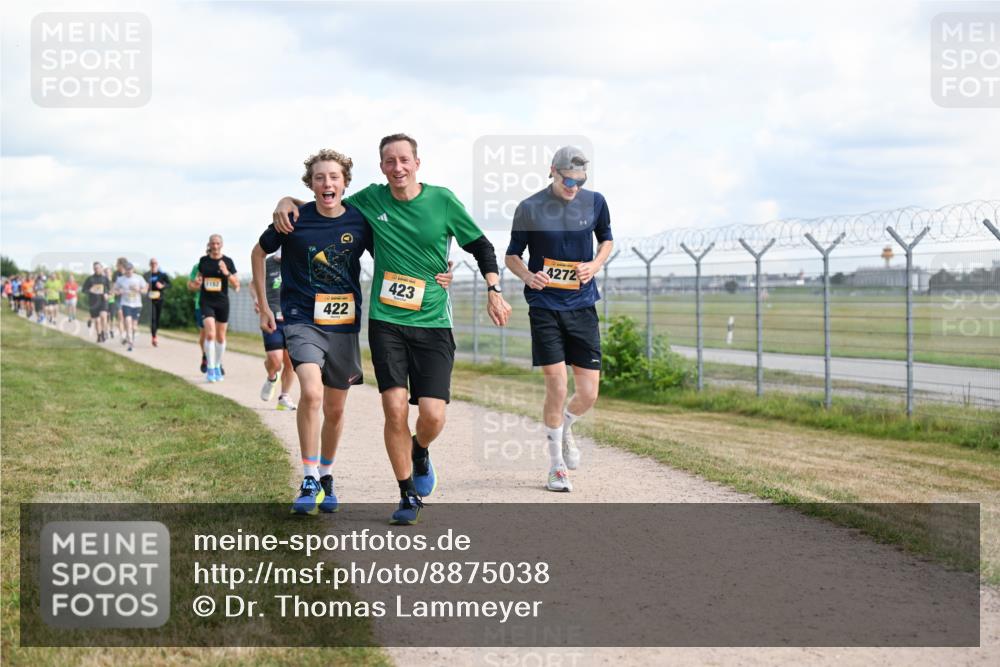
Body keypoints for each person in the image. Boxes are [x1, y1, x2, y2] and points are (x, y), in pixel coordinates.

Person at [273, 133, 511, 525]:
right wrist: (286, 202)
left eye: (404, 160)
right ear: (382, 167)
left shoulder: (443, 200)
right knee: (394, 407)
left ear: (417, 162)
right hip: (387, 322)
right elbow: (325, 205)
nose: (397, 167)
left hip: (433, 320)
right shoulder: (371, 199)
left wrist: (493, 288)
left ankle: (420, 450)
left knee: (432, 415)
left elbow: (481, 245)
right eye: (389, 161)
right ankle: (407, 494)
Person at [260, 148, 455, 516]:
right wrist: (265, 306)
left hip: (345, 326)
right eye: (319, 178)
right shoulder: (295, 218)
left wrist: (436, 268)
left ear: (345, 183)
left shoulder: (361, 219)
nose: (327, 183)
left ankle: (328, 477)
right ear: (310, 183)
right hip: (303, 320)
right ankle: (308, 478)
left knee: (335, 409)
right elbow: (261, 250)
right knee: (312, 393)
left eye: (334, 177)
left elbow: (398, 243)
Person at [505, 146, 613, 492]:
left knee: (589, 394)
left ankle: (566, 428)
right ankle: (555, 467)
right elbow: (511, 256)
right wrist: (527, 276)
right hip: (545, 305)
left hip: (582, 306)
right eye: (568, 180)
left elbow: (607, 240)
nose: (573, 187)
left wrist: (595, 265)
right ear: (552, 171)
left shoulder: (595, 202)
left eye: (579, 181)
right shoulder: (530, 208)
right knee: (558, 385)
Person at [252, 249, 298, 411]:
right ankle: (272, 377)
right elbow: (253, 284)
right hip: (272, 317)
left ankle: (284, 396)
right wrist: (257, 299)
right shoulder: (268, 263)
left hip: (293, 318)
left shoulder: (298, 261)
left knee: (290, 362)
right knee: (275, 359)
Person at [193, 234, 239, 382]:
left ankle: (218, 365)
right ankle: (211, 368)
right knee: (210, 334)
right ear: (209, 244)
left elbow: (236, 285)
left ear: (222, 245)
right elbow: (198, 280)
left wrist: (226, 273)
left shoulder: (228, 261)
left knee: (220, 337)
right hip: (206, 302)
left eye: (218, 243)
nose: (215, 246)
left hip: (222, 302)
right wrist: (197, 281)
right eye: (213, 243)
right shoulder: (203, 261)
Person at [113, 262, 148, 351]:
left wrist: (138, 290)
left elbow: (145, 290)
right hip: (125, 304)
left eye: (130, 269)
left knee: (134, 326)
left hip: (137, 305)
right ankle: (130, 343)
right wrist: (118, 291)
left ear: (133, 269)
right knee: (128, 322)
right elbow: (114, 290)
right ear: (125, 270)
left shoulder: (139, 278)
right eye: (127, 269)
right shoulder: (120, 279)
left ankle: (132, 337)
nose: (129, 271)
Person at [144, 258, 172, 347]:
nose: (153, 264)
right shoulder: (146, 275)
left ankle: (155, 333)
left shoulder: (162, 275)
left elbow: (170, 285)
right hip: (149, 300)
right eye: (152, 263)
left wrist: (162, 286)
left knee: (157, 319)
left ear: (157, 264)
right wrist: (145, 288)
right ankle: (154, 337)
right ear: (149, 264)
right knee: (153, 319)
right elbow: (142, 285)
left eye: (155, 263)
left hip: (159, 299)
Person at [82, 262, 111, 342]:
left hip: (103, 301)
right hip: (93, 302)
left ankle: (103, 332)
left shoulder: (105, 279)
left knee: (103, 316)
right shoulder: (90, 279)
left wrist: (107, 294)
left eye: (98, 268)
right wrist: (90, 290)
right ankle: (99, 335)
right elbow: (84, 290)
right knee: (97, 320)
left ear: (101, 268)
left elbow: (109, 289)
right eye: (95, 268)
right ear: (93, 269)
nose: (96, 269)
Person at [105, 267, 119, 339]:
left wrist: (113, 292)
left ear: (111, 273)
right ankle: (106, 331)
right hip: (105, 302)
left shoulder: (114, 282)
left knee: (112, 317)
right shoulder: (103, 281)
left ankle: (111, 330)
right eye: (106, 272)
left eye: (108, 272)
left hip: (112, 301)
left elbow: (117, 291)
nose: (107, 274)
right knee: (106, 317)